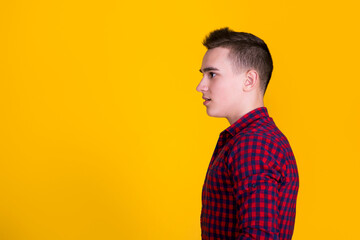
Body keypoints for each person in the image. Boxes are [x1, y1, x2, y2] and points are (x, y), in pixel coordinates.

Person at [196, 27, 299, 240]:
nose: (201, 86)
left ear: (249, 80)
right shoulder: (252, 139)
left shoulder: (253, 144)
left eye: (212, 74)